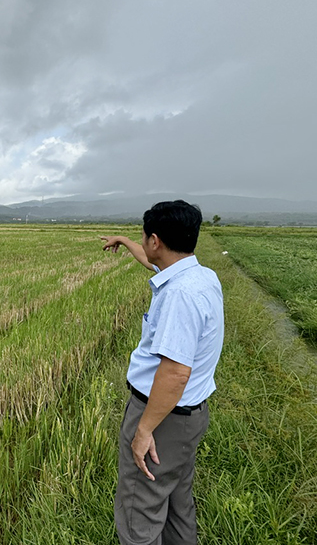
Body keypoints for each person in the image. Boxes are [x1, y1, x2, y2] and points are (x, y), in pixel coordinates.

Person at [100, 200, 224, 545]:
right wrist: (125, 241)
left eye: (143, 237)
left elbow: (174, 374)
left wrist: (144, 430)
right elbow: (151, 263)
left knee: (140, 510)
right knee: (177, 502)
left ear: (155, 240)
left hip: (163, 419)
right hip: (188, 419)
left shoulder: (179, 296)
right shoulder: (199, 275)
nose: (143, 243)